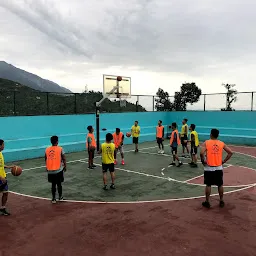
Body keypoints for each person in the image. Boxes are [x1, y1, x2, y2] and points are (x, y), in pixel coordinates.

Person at [200, 129, 233, 208]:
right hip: (218, 166)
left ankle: (207, 201)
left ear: (211, 134)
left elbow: (201, 153)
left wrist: (203, 161)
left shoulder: (206, 142)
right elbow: (230, 152)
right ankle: (221, 200)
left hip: (209, 167)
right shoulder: (221, 143)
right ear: (217, 135)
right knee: (220, 184)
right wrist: (224, 161)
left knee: (208, 184)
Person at [45, 136, 67, 204]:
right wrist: (65, 166)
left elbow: (46, 159)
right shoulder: (60, 149)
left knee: (53, 184)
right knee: (59, 184)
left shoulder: (47, 149)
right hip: (58, 170)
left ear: (51, 142)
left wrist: (47, 167)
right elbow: (64, 158)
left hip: (50, 170)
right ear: (57, 141)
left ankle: (53, 198)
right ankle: (60, 197)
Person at [0, 139, 14, 216]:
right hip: (0, 178)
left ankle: (2, 208)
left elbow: (1, 165)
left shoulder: (1, 154)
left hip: (3, 177)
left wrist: (9, 167)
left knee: (5, 193)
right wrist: (0, 177)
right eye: (3, 144)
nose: (4, 146)